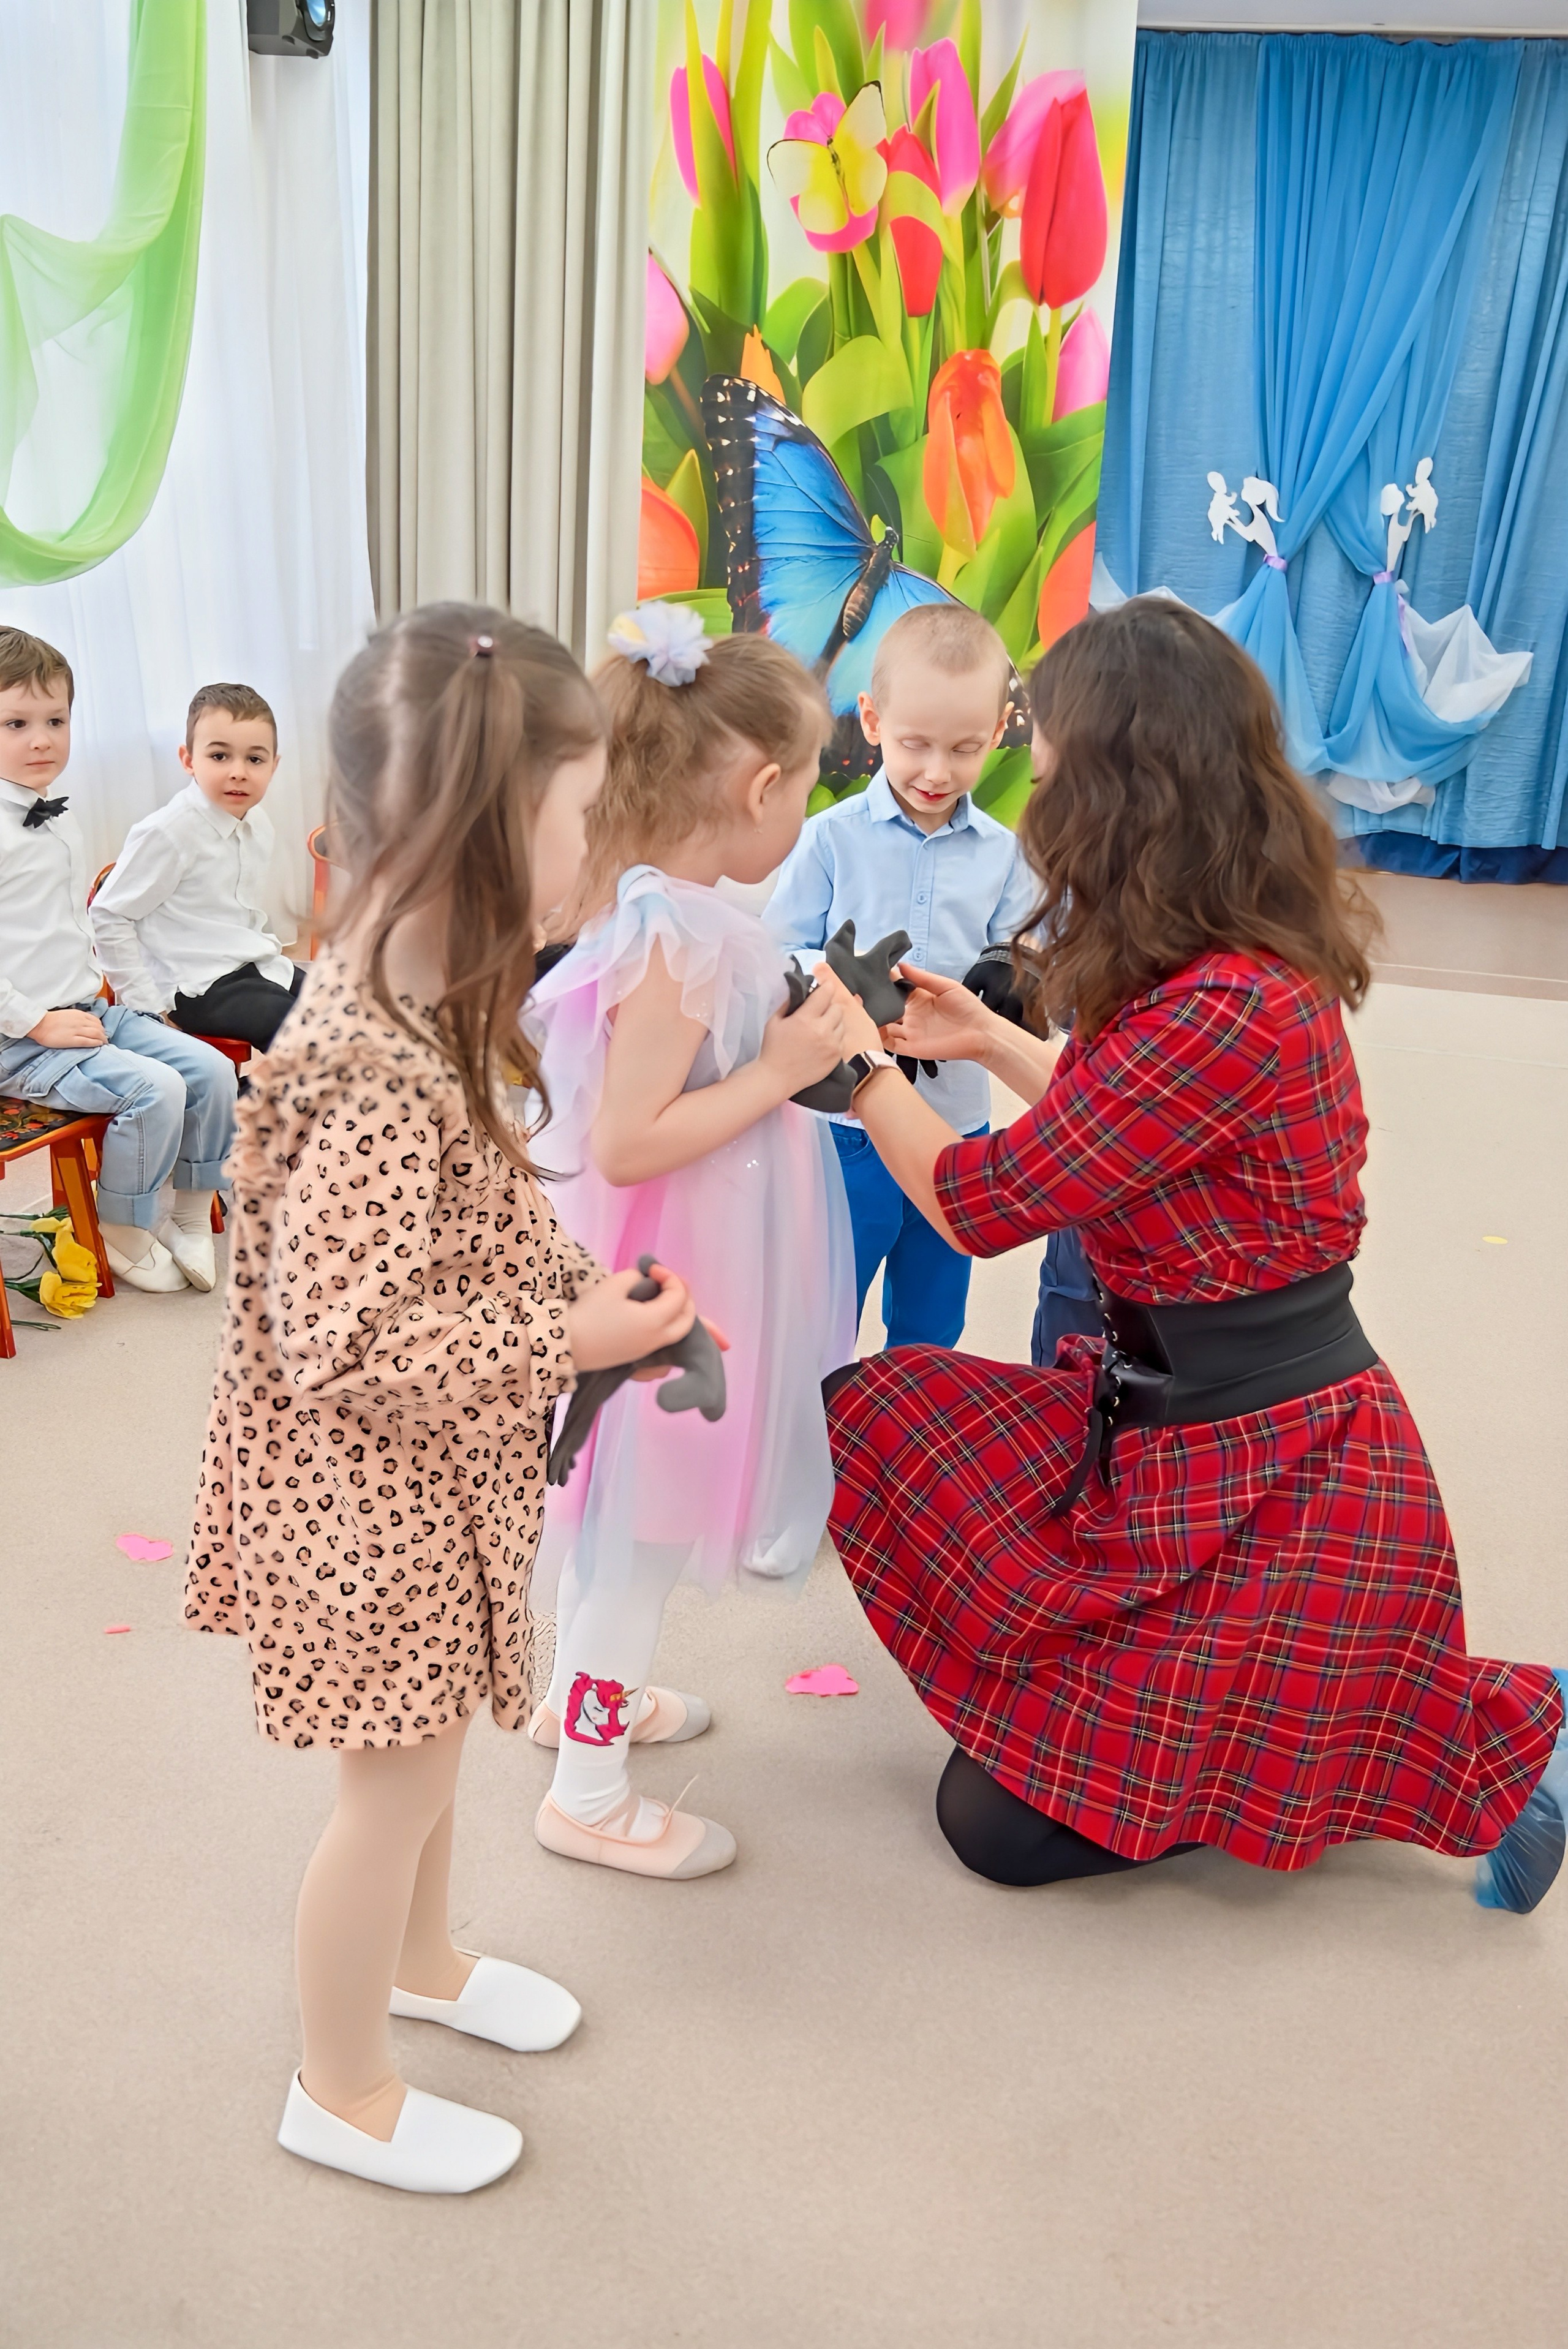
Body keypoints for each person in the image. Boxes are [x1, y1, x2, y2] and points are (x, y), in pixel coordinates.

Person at [812, 598, 1566, 1907]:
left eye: (1045, 784)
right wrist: (987, 1044)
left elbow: (983, 1203)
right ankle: (1300, 1712)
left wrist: (856, 1059)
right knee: (900, 1429)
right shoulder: (1199, 970)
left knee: (995, 1823)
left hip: (1282, 1464)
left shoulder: (1220, 1005)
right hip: (1176, 1427)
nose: (1032, 812)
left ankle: (1510, 1720)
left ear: (1118, 797)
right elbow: (1120, 1127)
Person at [184, 605, 714, 2195]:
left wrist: (580, 1297)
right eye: (572, 817)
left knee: (435, 1753)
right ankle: (337, 2083)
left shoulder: (432, 997)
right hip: (361, 1503)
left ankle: (423, 1960)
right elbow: (348, 1343)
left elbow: (485, 1219)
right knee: (394, 1778)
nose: (591, 850)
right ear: (483, 835)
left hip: (435, 1485)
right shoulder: (360, 1059)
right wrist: (567, 1347)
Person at [524, 601, 855, 1881]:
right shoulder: (676, 932)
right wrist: (780, 1070)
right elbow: (626, 1141)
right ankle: (589, 1791)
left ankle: (576, 1702)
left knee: (625, 1511)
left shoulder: (674, 909)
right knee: (644, 1521)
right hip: (664, 1272)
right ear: (759, 785)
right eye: (812, 778)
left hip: (680, 1254)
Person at [766, 602, 1035, 1349]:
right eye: (915, 743)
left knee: (931, 1328)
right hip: (846, 1127)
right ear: (873, 718)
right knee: (824, 1319)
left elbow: (1031, 948)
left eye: (965, 748)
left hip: (957, 1130)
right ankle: (819, 1458)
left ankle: (909, 1459)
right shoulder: (827, 840)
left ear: (996, 733)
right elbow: (776, 951)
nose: (937, 771)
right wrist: (833, 978)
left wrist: (1013, 968)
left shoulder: (1004, 855)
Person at [0, 626, 236, 1294]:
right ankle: (124, 1226)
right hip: (18, 1036)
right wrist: (35, 1021)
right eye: (16, 723)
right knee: (153, 1089)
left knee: (212, 1071)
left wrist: (122, 1002)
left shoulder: (54, 813)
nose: (42, 738)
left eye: (55, 720)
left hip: (85, 1006)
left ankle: (189, 1209)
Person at [91, 681, 305, 1053]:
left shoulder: (259, 824)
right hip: (193, 985)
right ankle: (269, 1104)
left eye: (254, 759)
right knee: (301, 1034)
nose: (238, 772)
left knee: (341, 1009)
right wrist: (149, 1010)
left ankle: (281, 1096)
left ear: (274, 765)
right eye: (220, 757)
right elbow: (109, 916)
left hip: (249, 963)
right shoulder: (169, 832)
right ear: (189, 760)